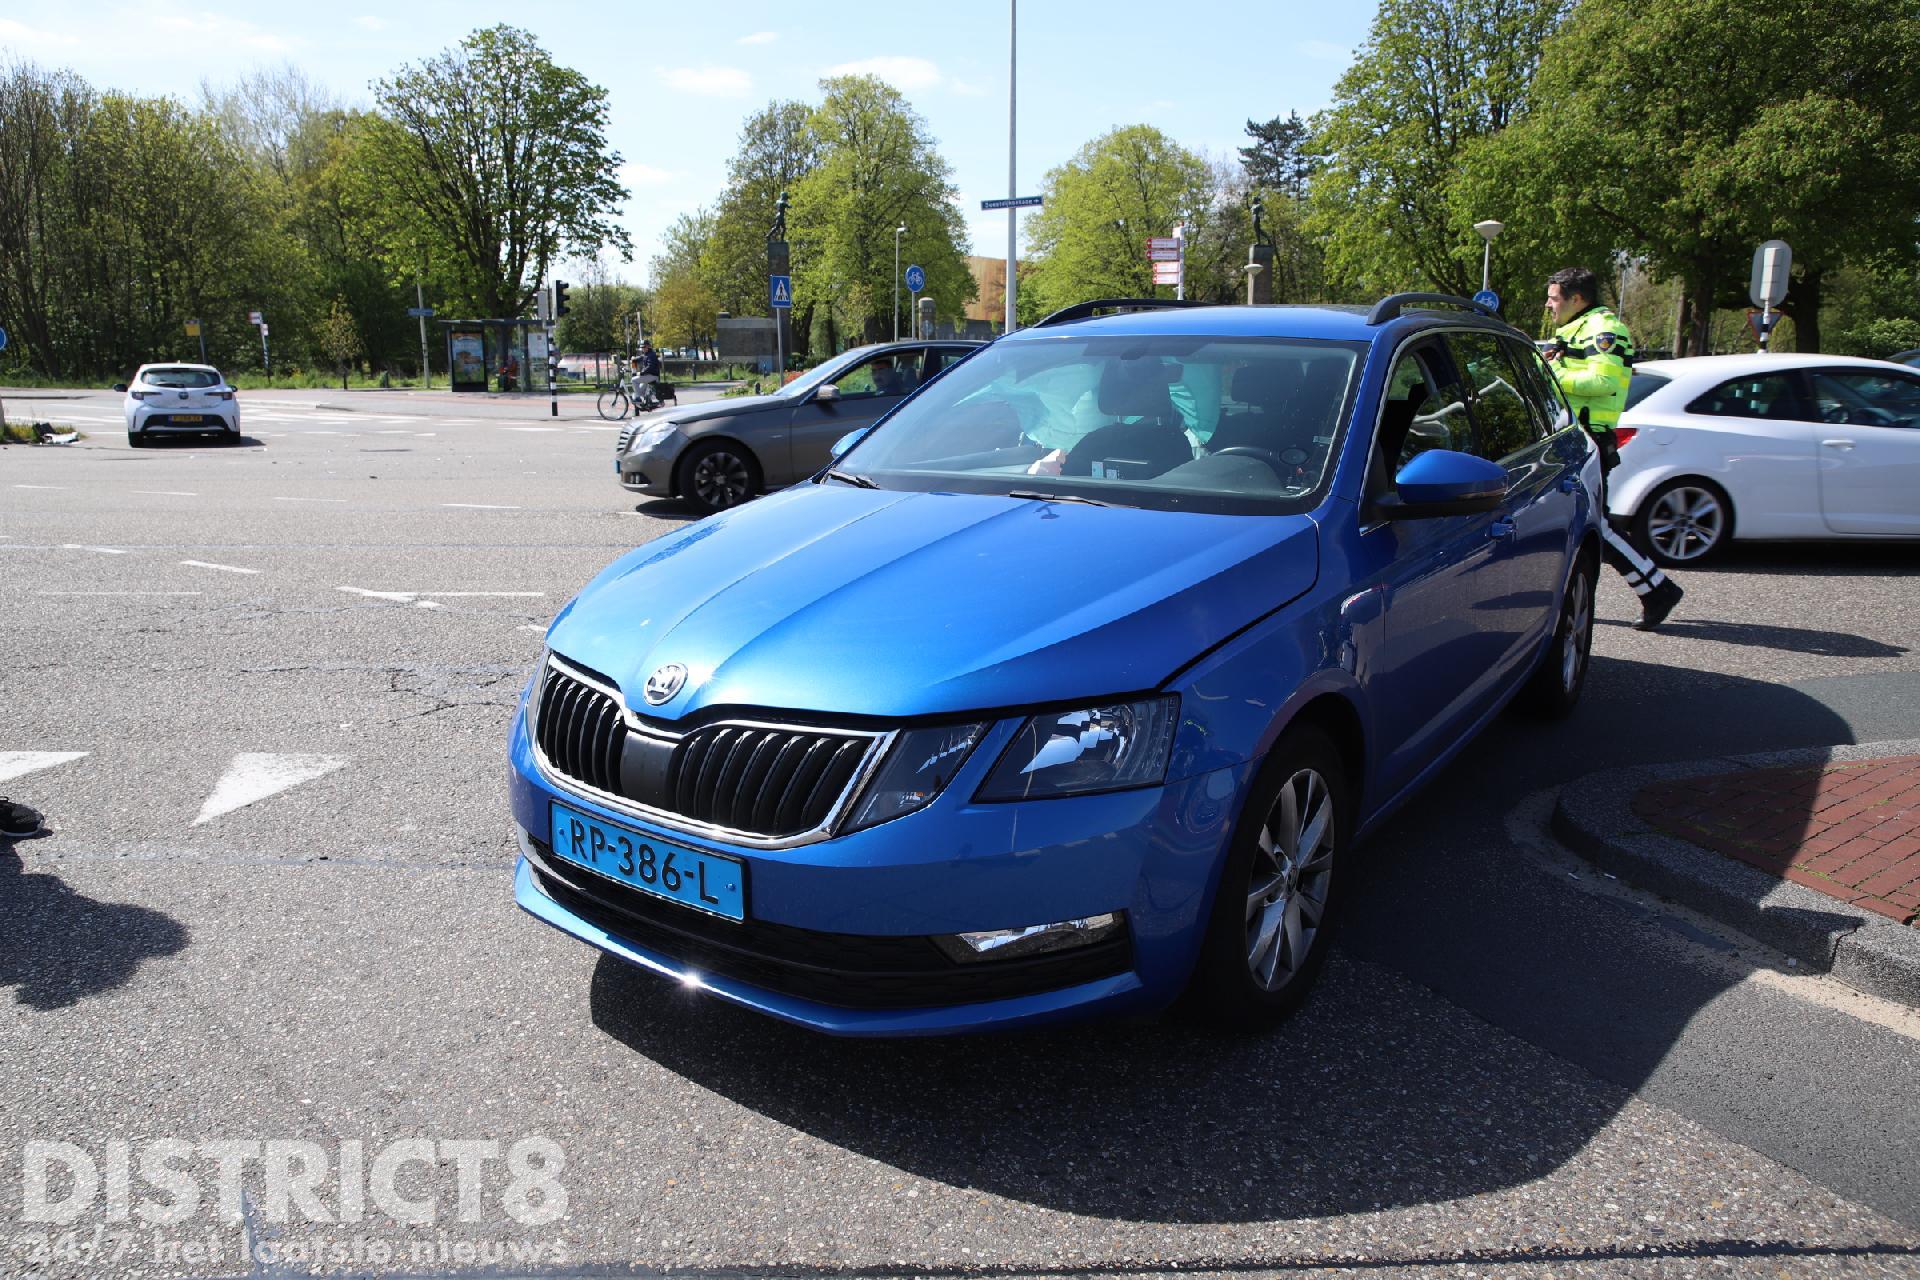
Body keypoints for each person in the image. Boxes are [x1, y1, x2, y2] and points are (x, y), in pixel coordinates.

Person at [1544, 266, 1683, 631]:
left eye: (1554, 298)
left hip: (1588, 437)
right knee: (1592, 521)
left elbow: (1604, 381)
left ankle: (1657, 589)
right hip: (1574, 435)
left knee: (1595, 523)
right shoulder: (1578, 328)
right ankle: (1654, 589)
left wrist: (1550, 375)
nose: (1548, 305)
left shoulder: (1605, 331)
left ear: (1578, 299)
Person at [633, 341, 663, 409]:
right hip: (648, 375)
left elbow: (650, 367)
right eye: (642, 347)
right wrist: (634, 359)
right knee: (640, 390)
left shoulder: (651, 354)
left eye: (644, 347)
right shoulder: (646, 354)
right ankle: (646, 402)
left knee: (634, 380)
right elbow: (641, 357)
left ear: (648, 346)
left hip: (652, 375)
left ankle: (638, 399)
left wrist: (641, 373)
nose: (642, 348)